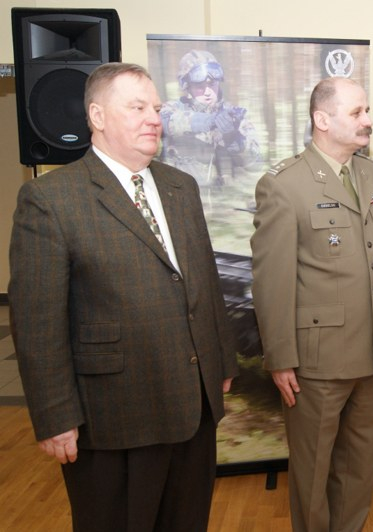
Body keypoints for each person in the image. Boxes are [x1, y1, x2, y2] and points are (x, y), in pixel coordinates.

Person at [8, 62, 239, 531]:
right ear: (97, 116)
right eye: (137, 108)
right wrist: (55, 416)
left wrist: (222, 363)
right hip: (113, 416)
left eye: (155, 108)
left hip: (192, 406)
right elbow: (37, 323)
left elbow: (203, 283)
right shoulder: (51, 199)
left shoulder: (181, 187)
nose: (154, 118)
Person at [250, 77, 373, 532]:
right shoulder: (284, 185)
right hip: (317, 360)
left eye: (366, 110)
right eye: (357, 112)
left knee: (359, 467)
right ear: (322, 119)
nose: (368, 120)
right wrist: (280, 358)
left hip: (371, 352)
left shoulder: (372, 175)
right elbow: (271, 281)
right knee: (313, 472)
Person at [160, 49, 260, 186]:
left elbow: (254, 163)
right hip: (180, 193)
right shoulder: (173, 109)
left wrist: (235, 141)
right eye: (199, 86)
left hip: (222, 196)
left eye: (212, 84)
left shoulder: (232, 116)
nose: (207, 92)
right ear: (187, 86)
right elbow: (165, 122)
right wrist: (209, 121)